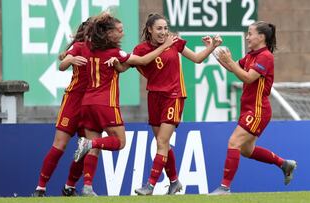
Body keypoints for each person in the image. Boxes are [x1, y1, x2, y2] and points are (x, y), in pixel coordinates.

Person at [71, 14, 178, 196]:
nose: (122, 34)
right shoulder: (116, 53)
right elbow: (143, 61)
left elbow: (64, 57)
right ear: (108, 34)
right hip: (106, 104)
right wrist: (166, 46)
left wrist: (66, 59)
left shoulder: (86, 48)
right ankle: (89, 143)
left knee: (95, 148)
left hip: (87, 103)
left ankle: (87, 186)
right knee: (119, 142)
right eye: (119, 31)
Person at [118, 13, 221, 195]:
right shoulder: (141, 49)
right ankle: (174, 182)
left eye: (165, 28)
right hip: (154, 97)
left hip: (174, 96)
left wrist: (212, 46)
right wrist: (112, 61)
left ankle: (150, 185)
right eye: (159, 28)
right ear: (149, 30)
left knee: (162, 141)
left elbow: (197, 59)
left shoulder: (175, 42)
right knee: (162, 143)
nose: (164, 32)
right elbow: (125, 66)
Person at [209, 21, 297, 195]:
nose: (247, 37)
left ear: (261, 37)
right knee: (246, 151)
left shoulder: (265, 56)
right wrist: (212, 49)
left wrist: (230, 62)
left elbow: (248, 78)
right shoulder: (251, 55)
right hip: (249, 109)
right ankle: (284, 164)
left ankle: (225, 188)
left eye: (250, 33)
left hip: (258, 110)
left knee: (234, 142)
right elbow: (231, 67)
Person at [32, 18, 90, 197]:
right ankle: (40, 188)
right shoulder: (79, 46)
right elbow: (62, 65)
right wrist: (70, 58)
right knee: (60, 145)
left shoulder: (104, 50)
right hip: (73, 103)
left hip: (92, 104)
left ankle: (69, 187)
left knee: (85, 148)